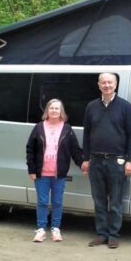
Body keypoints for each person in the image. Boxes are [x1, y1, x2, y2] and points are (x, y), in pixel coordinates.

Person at [80, 73, 131, 249]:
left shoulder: (125, 107)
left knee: (115, 202)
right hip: (95, 161)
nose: (107, 85)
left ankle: (113, 235)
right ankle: (101, 235)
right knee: (99, 201)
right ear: (98, 85)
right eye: (103, 82)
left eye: (110, 82)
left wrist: (130, 161)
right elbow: (87, 134)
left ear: (116, 84)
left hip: (117, 162)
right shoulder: (91, 107)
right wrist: (86, 159)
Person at [25, 98, 84, 242]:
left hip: (59, 174)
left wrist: (82, 164)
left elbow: (74, 150)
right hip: (41, 173)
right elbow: (30, 149)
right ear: (47, 111)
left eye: (57, 108)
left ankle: (56, 229)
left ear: (61, 112)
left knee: (57, 202)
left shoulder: (67, 129)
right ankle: (40, 230)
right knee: (42, 202)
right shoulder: (39, 127)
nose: (54, 111)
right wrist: (31, 170)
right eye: (51, 108)